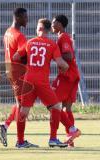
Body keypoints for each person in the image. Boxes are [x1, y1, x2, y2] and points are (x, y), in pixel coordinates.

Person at [15, 18, 71, 148]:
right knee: (56, 108)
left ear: (39, 29)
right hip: (42, 82)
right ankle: (53, 138)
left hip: (28, 80)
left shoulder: (30, 42)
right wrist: (66, 67)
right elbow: (62, 64)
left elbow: (15, 57)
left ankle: (20, 141)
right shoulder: (52, 44)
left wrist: (28, 62)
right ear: (47, 30)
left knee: (23, 111)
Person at [0, 7, 38, 148]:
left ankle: (6, 125)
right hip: (18, 73)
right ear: (19, 17)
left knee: (19, 103)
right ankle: (20, 141)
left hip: (11, 71)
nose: (27, 20)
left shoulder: (7, 32)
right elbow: (22, 56)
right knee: (22, 106)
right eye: (25, 17)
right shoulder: (19, 36)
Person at [51, 14, 81, 147]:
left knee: (53, 104)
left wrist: (53, 54)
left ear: (60, 24)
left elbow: (69, 55)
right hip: (72, 75)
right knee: (66, 108)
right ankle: (71, 138)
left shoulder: (63, 37)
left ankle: (58, 135)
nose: (52, 25)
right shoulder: (63, 36)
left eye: (54, 22)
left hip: (67, 76)